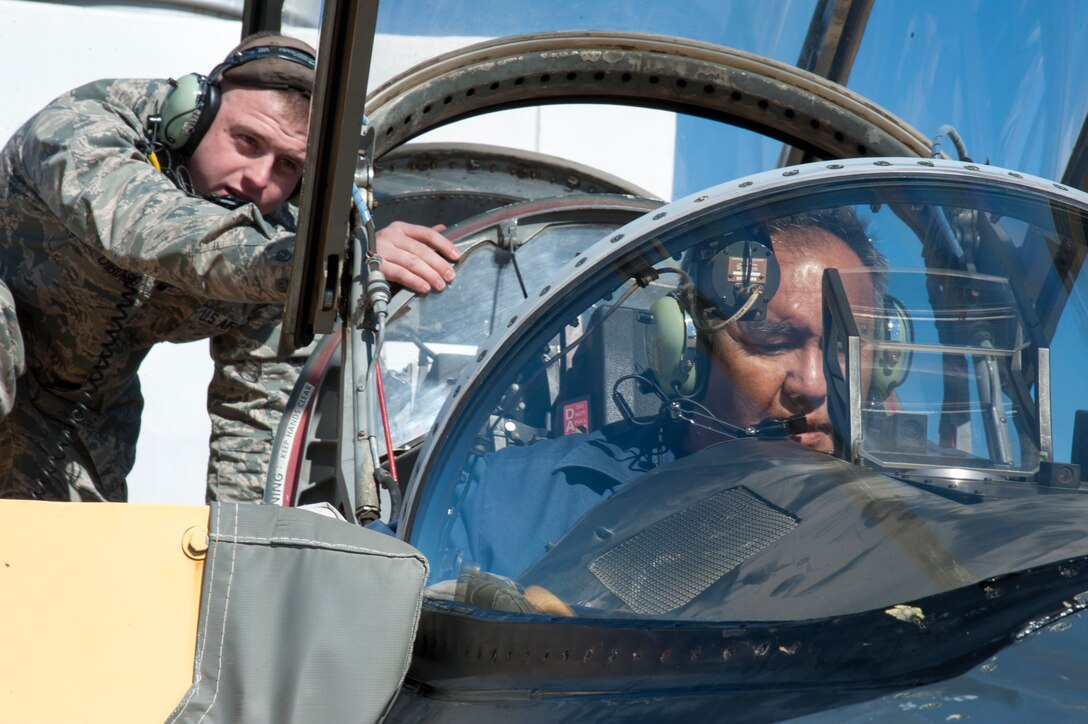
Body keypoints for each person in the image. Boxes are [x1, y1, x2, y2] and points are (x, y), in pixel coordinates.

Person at [0, 33, 460, 503]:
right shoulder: (84, 130)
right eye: (246, 141)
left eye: (287, 166)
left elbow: (256, 418)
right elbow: (161, 231)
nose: (258, 178)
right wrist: (332, 265)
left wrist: (243, 555)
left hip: (76, 419)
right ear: (193, 117)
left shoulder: (278, 244)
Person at [447, 208, 886, 579]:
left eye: (846, 349)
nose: (813, 384)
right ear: (688, 348)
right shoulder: (510, 501)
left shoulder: (915, 525)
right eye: (773, 340)